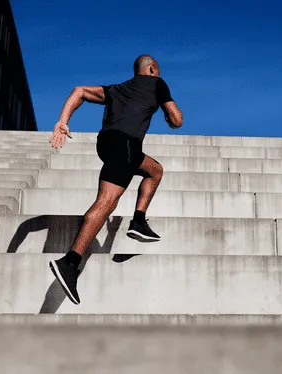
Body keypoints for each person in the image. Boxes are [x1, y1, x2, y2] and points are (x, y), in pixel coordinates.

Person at [47, 55, 183, 305]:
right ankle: (70, 262)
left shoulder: (117, 89)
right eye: (156, 70)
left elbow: (80, 91)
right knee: (108, 201)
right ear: (151, 69)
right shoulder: (157, 83)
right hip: (126, 143)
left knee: (155, 170)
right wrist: (165, 112)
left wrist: (62, 122)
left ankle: (138, 222)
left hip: (107, 143)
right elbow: (177, 119)